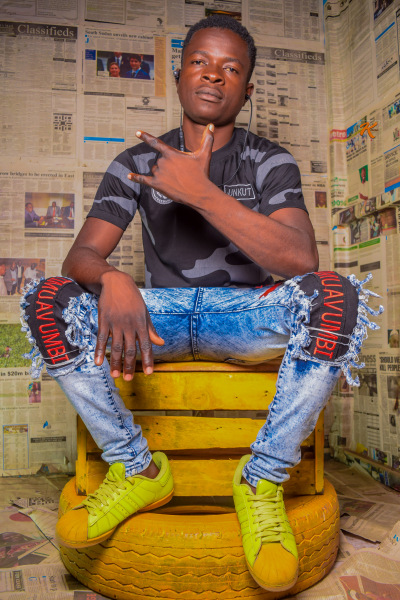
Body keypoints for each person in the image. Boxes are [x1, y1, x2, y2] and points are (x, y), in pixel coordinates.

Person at [21, 15, 381, 593]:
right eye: (200, 62)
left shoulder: (268, 160)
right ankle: (136, 468)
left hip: (243, 316)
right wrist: (112, 280)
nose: (214, 75)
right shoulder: (137, 162)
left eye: (230, 68)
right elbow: (81, 256)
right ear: (179, 75)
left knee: (336, 295)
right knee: (47, 300)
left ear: (248, 89)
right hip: (156, 317)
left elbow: (300, 260)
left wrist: (203, 194)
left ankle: (261, 479)